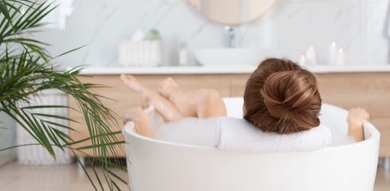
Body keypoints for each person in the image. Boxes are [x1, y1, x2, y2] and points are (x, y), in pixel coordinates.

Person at [121, 58, 369, 147]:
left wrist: (142, 122)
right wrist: (355, 120)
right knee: (208, 104)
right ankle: (173, 95)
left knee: (207, 105)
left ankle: (171, 95)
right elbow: (354, 150)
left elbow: (156, 146)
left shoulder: (221, 132)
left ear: (244, 107)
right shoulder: (322, 140)